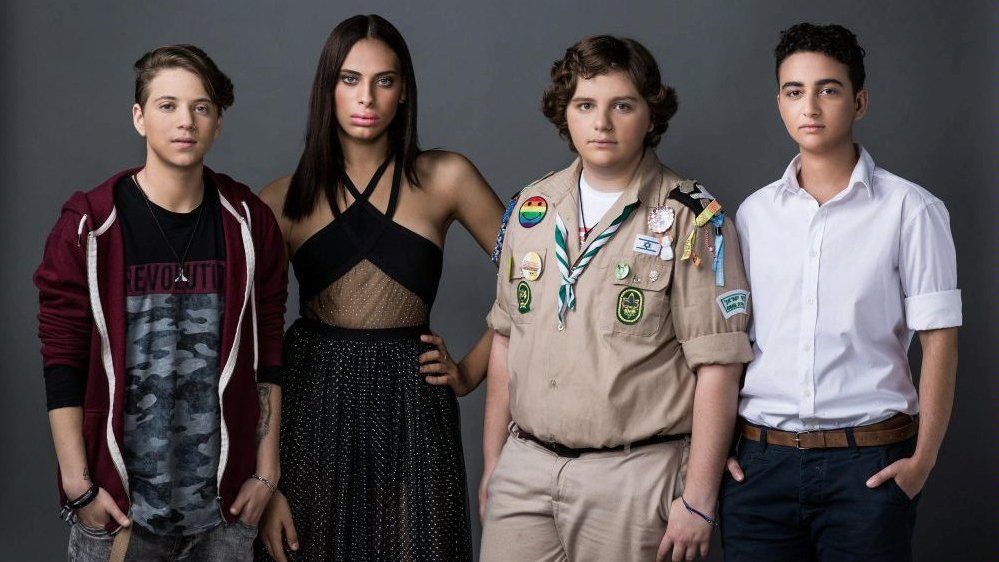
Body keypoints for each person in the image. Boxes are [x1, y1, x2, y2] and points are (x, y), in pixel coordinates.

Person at [479, 35, 753, 562]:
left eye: (622, 105)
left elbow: (718, 366)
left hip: (635, 476)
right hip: (525, 469)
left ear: (651, 115)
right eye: (585, 105)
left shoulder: (694, 220)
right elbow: (504, 341)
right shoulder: (531, 208)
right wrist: (494, 465)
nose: (602, 123)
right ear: (566, 114)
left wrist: (698, 499)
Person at [254, 14, 503, 562]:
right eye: (349, 80)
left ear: (404, 91)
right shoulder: (280, 199)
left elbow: (538, 279)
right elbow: (248, 341)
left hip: (413, 404)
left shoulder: (448, 177)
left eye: (383, 81)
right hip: (312, 405)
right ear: (328, 90)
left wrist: (471, 370)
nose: (366, 97)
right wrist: (265, 481)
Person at [35, 44, 287, 561]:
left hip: (224, 510)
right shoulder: (89, 226)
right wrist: (78, 485)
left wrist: (266, 472)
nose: (185, 121)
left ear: (218, 122)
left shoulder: (248, 223)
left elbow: (269, 352)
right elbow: (62, 357)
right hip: (120, 506)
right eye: (167, 105)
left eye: (201, 107)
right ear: (139, 117)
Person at [720, 23, 962, 562]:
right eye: (794, 91)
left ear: (860, 101)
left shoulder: (911, 210)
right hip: (759, 466)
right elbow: (731, 339)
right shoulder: (754, 215)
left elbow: (940, 340)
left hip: (869, 468)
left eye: (828, 89)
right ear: (780, 103)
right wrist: (715, 448)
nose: (810, 106)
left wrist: (922, 461)